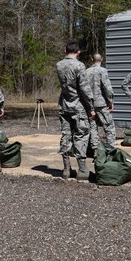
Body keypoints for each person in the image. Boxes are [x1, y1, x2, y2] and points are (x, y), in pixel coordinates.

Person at [56, 41, 95, 180]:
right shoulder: (79, 65)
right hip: (78, 105)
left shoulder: (59, 65)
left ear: (65, 50)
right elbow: (84, 88)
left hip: (64, 104)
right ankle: (82, 170)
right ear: (78, 52)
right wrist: (91, 107)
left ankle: (66, 169)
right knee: (81, 135)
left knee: (66, 135)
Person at [85, 53, 116, 150]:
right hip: (102, 104)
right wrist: (110, 102)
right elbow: (107, 88)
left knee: (93, 128)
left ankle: (95, 150)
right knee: (109, 127)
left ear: (91, 59)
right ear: (102, 59)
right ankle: (110, 150)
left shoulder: (86, 72)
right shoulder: (103, 71)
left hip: (90, 104)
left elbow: (83, 89)